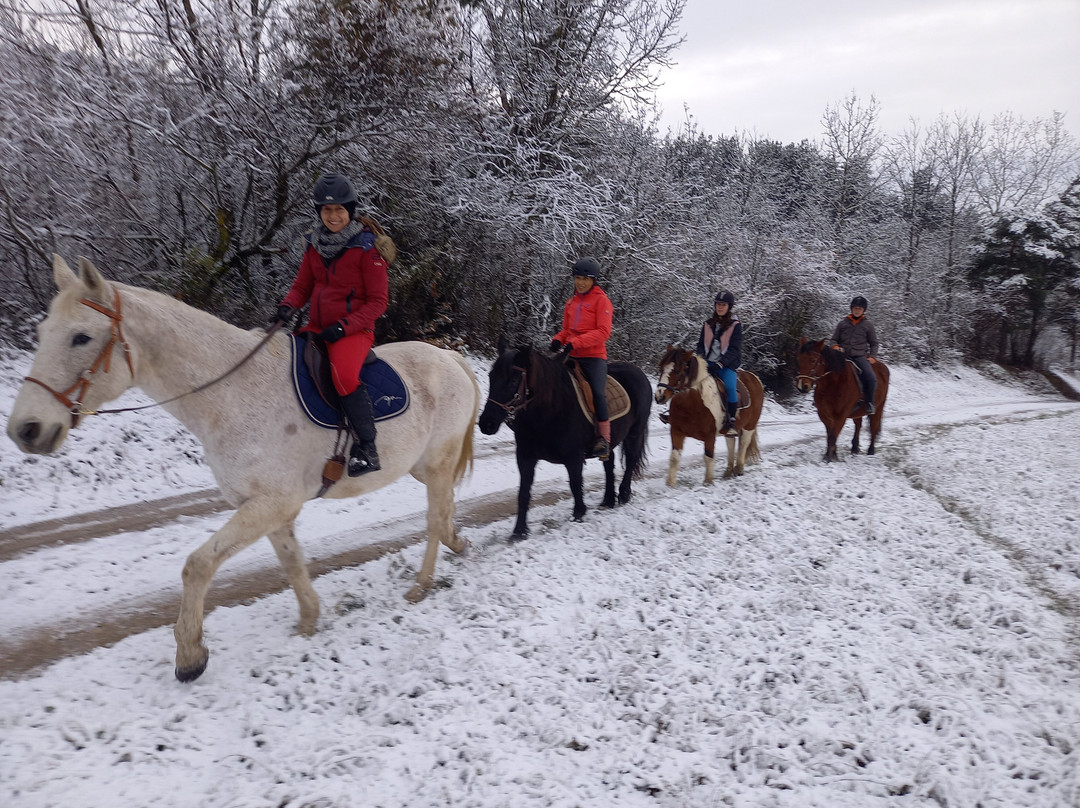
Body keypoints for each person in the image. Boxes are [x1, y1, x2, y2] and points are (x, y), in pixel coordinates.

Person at [271, 172, 390, 476]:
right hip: (318, 327)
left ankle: (368, 447)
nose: (333, 216)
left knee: (343, 376)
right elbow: (302, 287)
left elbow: (378, 302)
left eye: (339, 209)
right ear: (319, 212)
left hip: (354, 331)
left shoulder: (367, 248)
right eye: (326, 210)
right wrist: (287, 307)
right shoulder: (314, 245)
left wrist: (345, 326)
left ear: (350, 210)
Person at [549, 257, 614, 460]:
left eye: (585, 279)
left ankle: (603, 440)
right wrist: (558, 340)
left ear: (594, 280)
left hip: (593, 357)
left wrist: (576, 343)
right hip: (570, 353)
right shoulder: (571, 302)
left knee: (597, 393)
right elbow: (567, 330)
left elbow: (603, 332)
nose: (581, 282)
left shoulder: (602, 301)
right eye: (578, 278)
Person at [695, 289, 742, 434]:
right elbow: (700, 345)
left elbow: (734, 349)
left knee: (730, 388)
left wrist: (720, 364)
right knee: (688, 381)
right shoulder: (707, 324)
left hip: (725, 366)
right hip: (707, 364)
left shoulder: (735, 325)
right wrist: (701, 361)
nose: (720, 307)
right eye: (718, 304)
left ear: (729, 307)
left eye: (723, 304)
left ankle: (731, 421)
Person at [829, 295, 879, 415]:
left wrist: (872, 356)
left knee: (871, 377)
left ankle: (869, 403)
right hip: (842, 356)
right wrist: (835, 346)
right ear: (851, 309)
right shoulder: (842, 324)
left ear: (863, 310)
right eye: (855, 308)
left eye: (860, 309)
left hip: (859, 356)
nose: (857, 310)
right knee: (824, 370)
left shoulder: (868, 325)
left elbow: (874, 343)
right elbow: (834, 339)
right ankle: (820, 398)